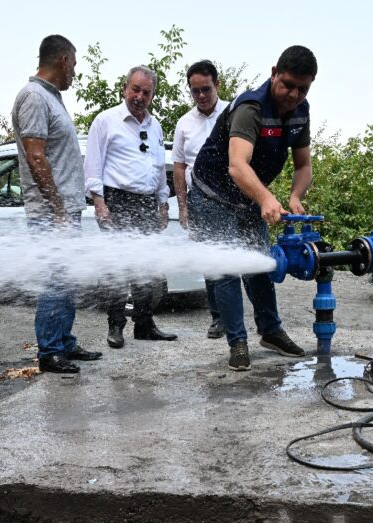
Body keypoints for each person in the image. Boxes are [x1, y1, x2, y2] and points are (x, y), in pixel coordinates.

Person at [189, 45, 316, 371]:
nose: (294, 94)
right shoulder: (251, 107)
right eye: (288, 84)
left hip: (247, 196)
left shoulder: (301, 112)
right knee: (228, 268)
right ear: (274, 73)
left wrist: (294, 196)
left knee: (260, 262)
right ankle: (238, 342)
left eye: (303, 88)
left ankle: (271, 331)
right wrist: (265, 199)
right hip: (211, 195)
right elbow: (237, 166)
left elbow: (303, 166)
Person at [13, 34, 102, 374]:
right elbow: (36, 158)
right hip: (52, 213)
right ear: (63, 60)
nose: (74, 74)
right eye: (74, 66)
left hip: (63, 210)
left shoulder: (50, 98)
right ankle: (49, 351)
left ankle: (64, 341)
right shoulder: (34, 97)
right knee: (54, 279)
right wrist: (58, 208)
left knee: (66, 279)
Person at [84, 65, 177, 349]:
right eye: (135, 89)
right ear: (125, 89)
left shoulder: (156, 125)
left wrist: (162, 203)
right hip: (118, 201)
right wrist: (100, 203)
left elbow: (159, 167)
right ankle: (115, 327)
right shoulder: (106, 121)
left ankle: (145, 325)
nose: (139, 96)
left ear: (152, 96)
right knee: (117, 268)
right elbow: (93, 165)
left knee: (146, 267)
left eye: (146, 92)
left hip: (147, 202)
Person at [173, 59, 229, 339]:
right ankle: (219, 317)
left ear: (217, 84)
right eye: (195, 91)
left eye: (206, 89)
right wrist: (183, 207)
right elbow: (180, 167)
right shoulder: (184, 123)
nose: (201, 96)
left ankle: (252, 317)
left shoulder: (234, 114)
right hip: (200, 202)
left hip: (234, 200)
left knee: (241, 258)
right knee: (210, 261)